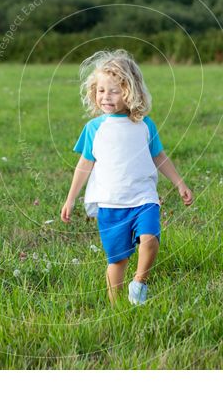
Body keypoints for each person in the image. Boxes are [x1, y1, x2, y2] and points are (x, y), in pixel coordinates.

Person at [60, 49, 193, 305]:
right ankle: (116, 307)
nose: (105, 96)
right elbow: (84, 165)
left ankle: (139, 283)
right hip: (111, 204)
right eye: (101, 90)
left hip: (144, 198)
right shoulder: (94, 129)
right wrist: (70, 199)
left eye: (114, 90)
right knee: (117, 260)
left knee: (150, 240)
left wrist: (180, 183)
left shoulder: (144, 125)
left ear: (130, 92)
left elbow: (159, 156)